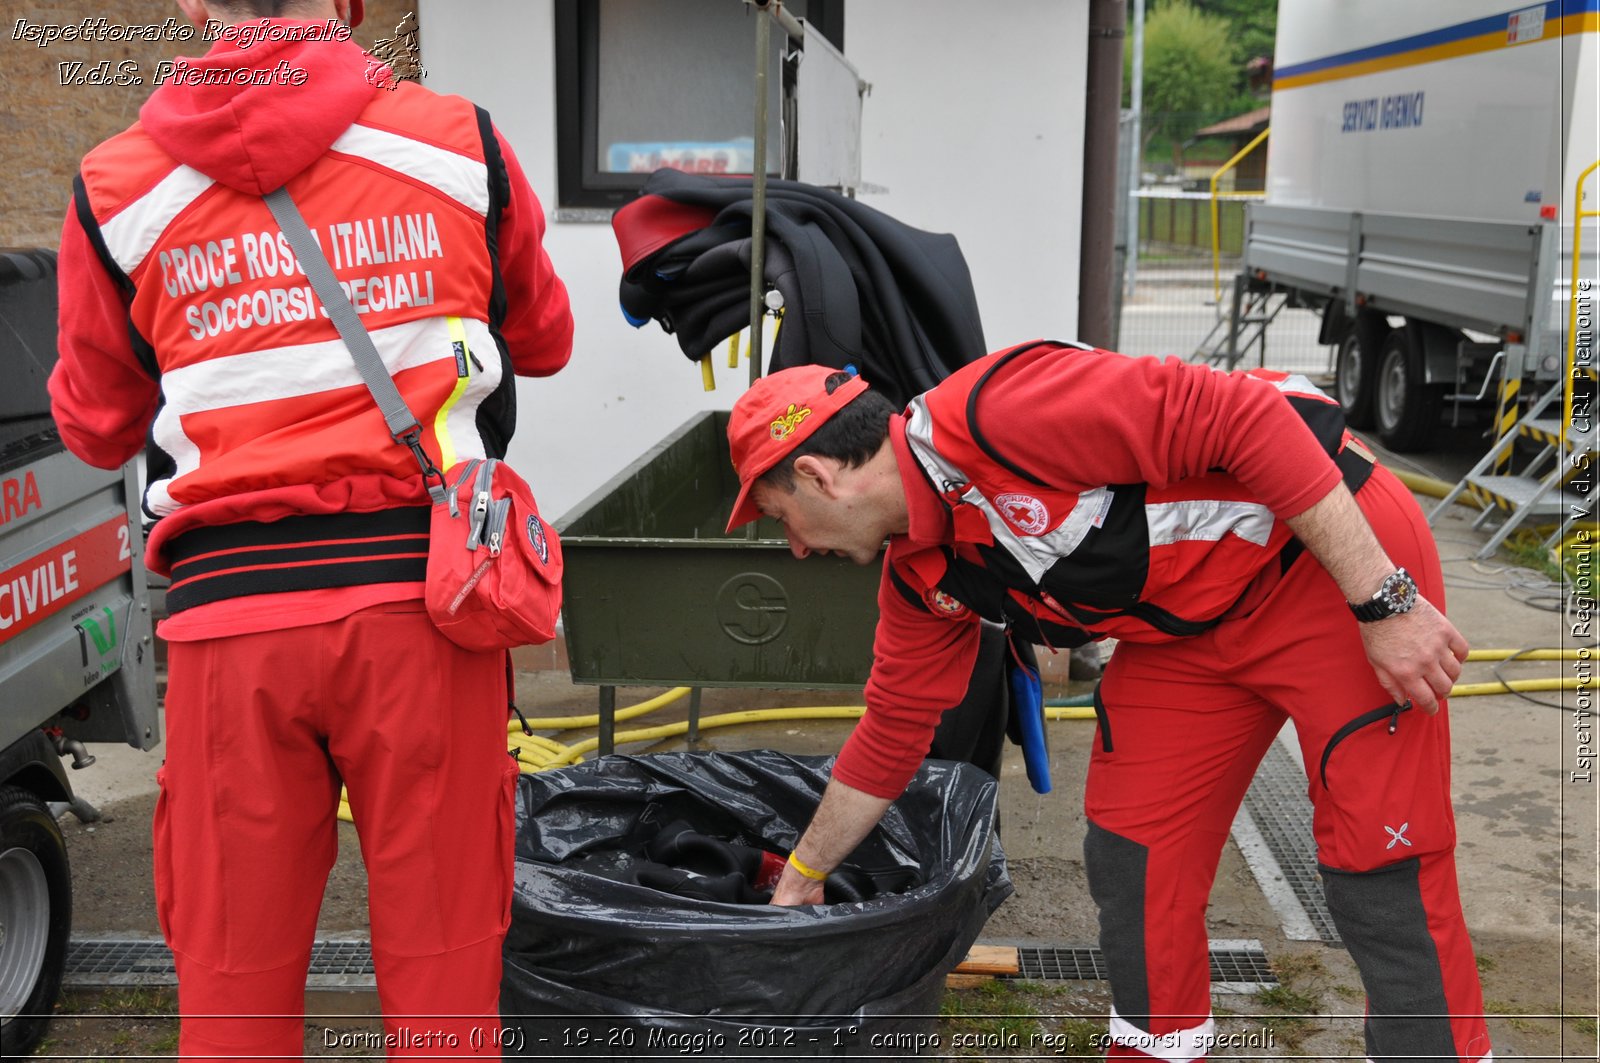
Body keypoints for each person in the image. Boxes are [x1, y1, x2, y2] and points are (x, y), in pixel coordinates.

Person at [49, 0, 573, 1056]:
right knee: (444, 997)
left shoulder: (114, 189)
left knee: (232, 996)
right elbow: (544, 338)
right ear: (347, 3)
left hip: (225, 632)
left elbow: (96, 425)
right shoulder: (460, 143)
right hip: (425, 614)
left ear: (196, 4)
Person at [726, 343, 1491, 1063]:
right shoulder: (921, 573)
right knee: (1135, 852)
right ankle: (1158, 1047)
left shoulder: (1003, 412)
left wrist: (1387, 603)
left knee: (1381, 865)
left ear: (818, 475)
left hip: (1327, 564)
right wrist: (802, 871)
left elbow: (1255, 419)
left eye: (778, 515)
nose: (793, 547)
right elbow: (892, 730)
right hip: (1191, 622)